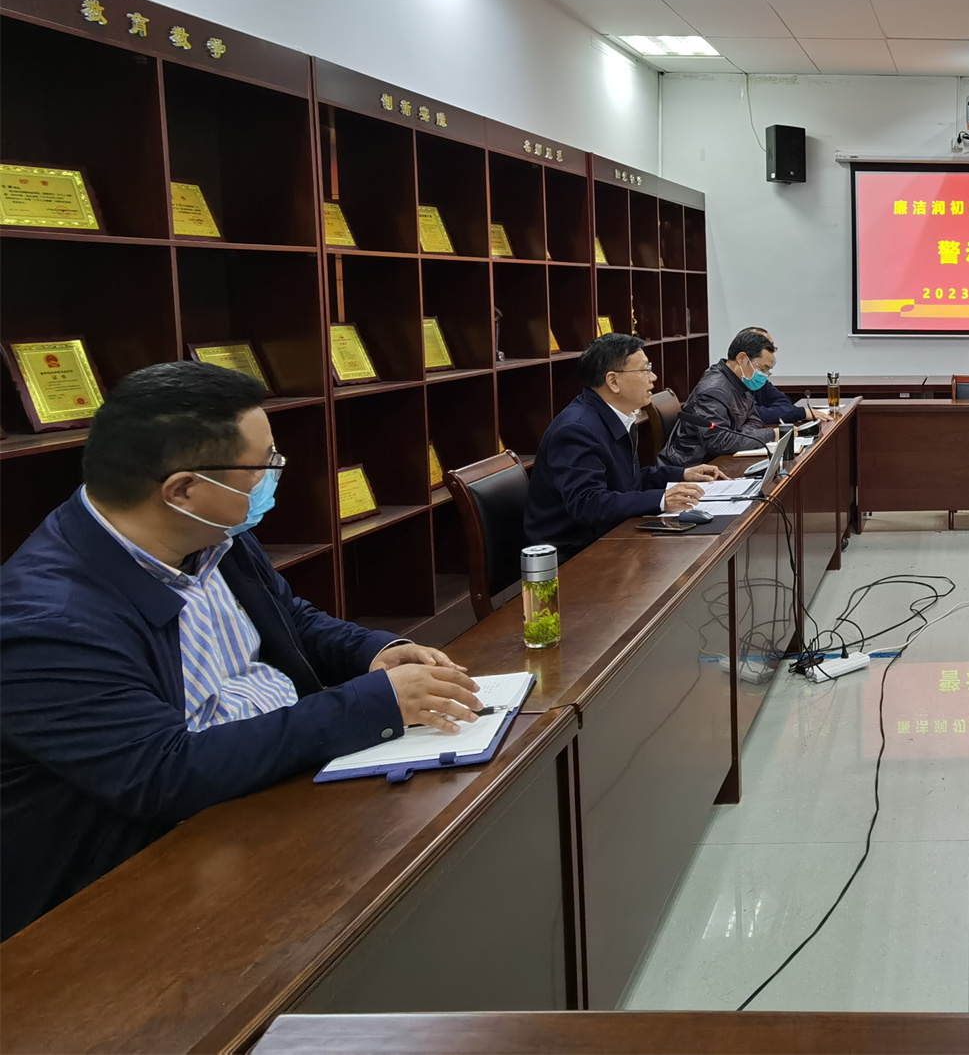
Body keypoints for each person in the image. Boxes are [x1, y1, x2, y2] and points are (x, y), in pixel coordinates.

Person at [0, 362, 484, 938]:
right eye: (263, 465)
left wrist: (375, 652)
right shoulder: (47, 623)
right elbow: (163, 773)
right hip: (140, 890)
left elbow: (289, 620)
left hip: (272, 790)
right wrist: (369, 704)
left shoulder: (212, 534)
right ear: (183, 490)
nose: (275, 475)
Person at [526, 334, 722, 560]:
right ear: (613, 381)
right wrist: (661, 499)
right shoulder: (576, 430)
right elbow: (588, 503)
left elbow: (626, 481)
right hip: (574, 556)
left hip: (610, 535)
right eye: (645, 370)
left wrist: (682, 474)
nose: (654, 377)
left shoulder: (616, 416)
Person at [663, 328, 784, 467]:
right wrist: (770, 435)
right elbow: (718, 442)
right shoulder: (713, 391)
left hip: (718, 459)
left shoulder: (739, 382)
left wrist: (737, 437)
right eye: (763, 369)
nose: (764, 374)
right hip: (694, 466)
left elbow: (755, 419)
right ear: (742, 358)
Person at [740, 325, 808, 425]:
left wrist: (772, 413)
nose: (771, 351)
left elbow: (784, 402)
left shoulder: (756, 379)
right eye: (767, 347)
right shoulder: (727, 384)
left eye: (772, 347)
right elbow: (753, 415)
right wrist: (801, 413)